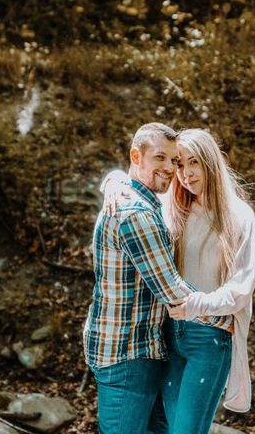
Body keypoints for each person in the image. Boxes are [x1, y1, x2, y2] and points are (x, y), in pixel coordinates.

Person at [103, 128, 255, 434]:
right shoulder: (172, 210)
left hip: (209, 339)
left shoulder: (239, 216)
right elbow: (135, 184)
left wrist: (196, 305)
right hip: (169, 337)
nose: (185, 174)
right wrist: (112, 180)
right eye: (179, 164)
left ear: (210, 163)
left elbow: (241, 289)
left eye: (194, 163)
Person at [83, 122, 194, 434]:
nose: (170, 168)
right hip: (128, 355)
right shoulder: (136, 215)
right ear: (136, 155)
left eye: (175, 161)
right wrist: (229, 307)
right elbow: (173, 292)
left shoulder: (139, 201)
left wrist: (114, 179)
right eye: (160, 158)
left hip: (134, 351)